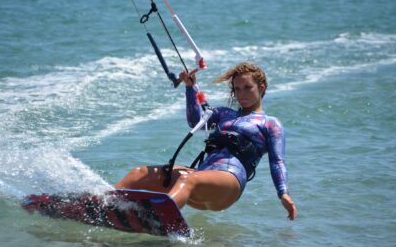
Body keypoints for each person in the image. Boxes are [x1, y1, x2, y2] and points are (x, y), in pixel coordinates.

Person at [114, 62, 297, 220]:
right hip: (203, 175)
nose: (242, 94)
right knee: (139, 173)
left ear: (262, 87)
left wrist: (283, 193)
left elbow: (277, 161)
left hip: (230, 182)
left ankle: (155, 219)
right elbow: (196, 121)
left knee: (189, 180)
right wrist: (189, 87)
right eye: (237, 88)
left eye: (248, 87)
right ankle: (104, 204)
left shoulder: (270, 124)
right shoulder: (224, 114)